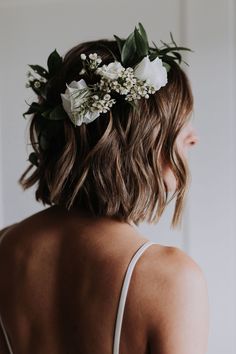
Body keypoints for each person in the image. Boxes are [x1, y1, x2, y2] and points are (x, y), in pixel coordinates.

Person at [0, 24, 209, 354]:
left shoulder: (5, 249)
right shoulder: (170, 279)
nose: (194, 136)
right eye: (177, 123)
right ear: (135, 139)